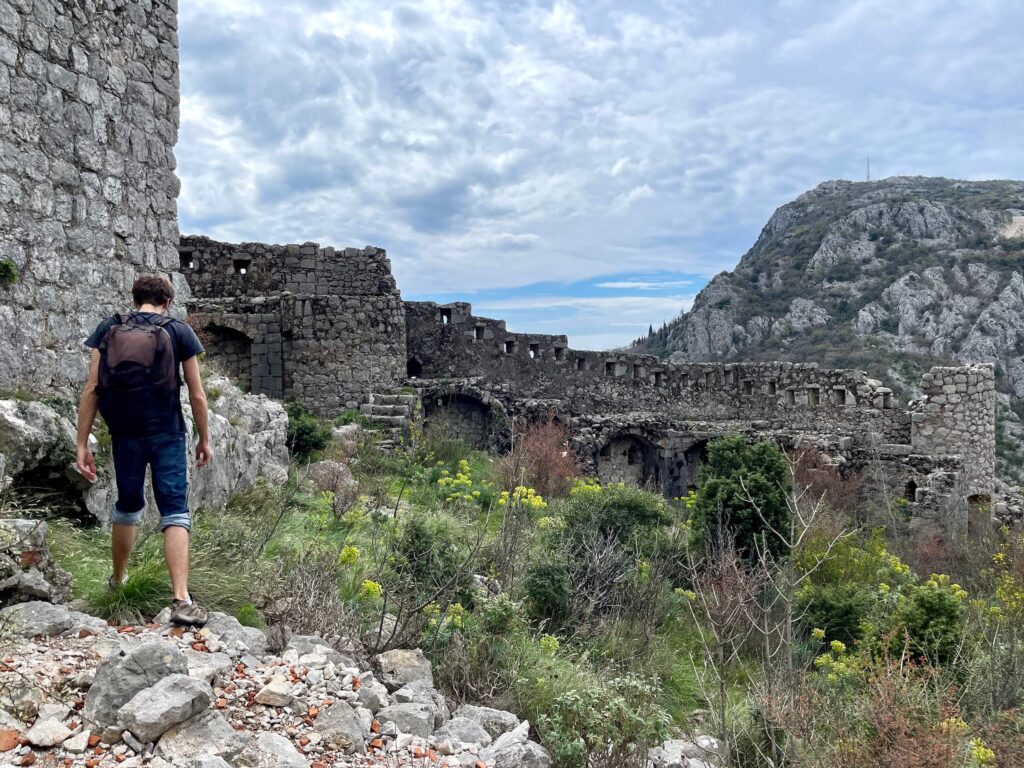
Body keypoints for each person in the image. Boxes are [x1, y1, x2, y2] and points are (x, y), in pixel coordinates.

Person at [75, 275, 213, 626]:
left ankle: (117, 581)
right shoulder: (179, 331)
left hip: (125, 432)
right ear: (168, 301)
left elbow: (92, 389)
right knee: (175, 511)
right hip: (167, 432)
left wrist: (82, 443)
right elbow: (197, 394)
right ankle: (181, 598)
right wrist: (204, 438)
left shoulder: (109, 327)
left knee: (127, 505)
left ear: (135, 298)